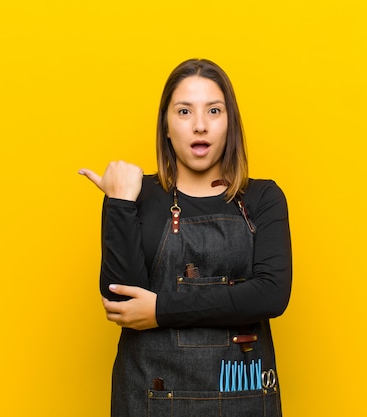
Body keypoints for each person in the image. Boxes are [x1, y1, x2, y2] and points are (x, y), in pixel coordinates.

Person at [80, 58, 292, 417]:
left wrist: (161, 309)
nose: (199, 126)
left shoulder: (263, 198)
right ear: (165, 124)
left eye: (213, 110)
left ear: (230, 123)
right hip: (149, 394)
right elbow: (121, 301)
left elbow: (270, 295)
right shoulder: (134, 195)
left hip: (240, 388)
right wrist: (119, 204)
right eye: (183, 111)